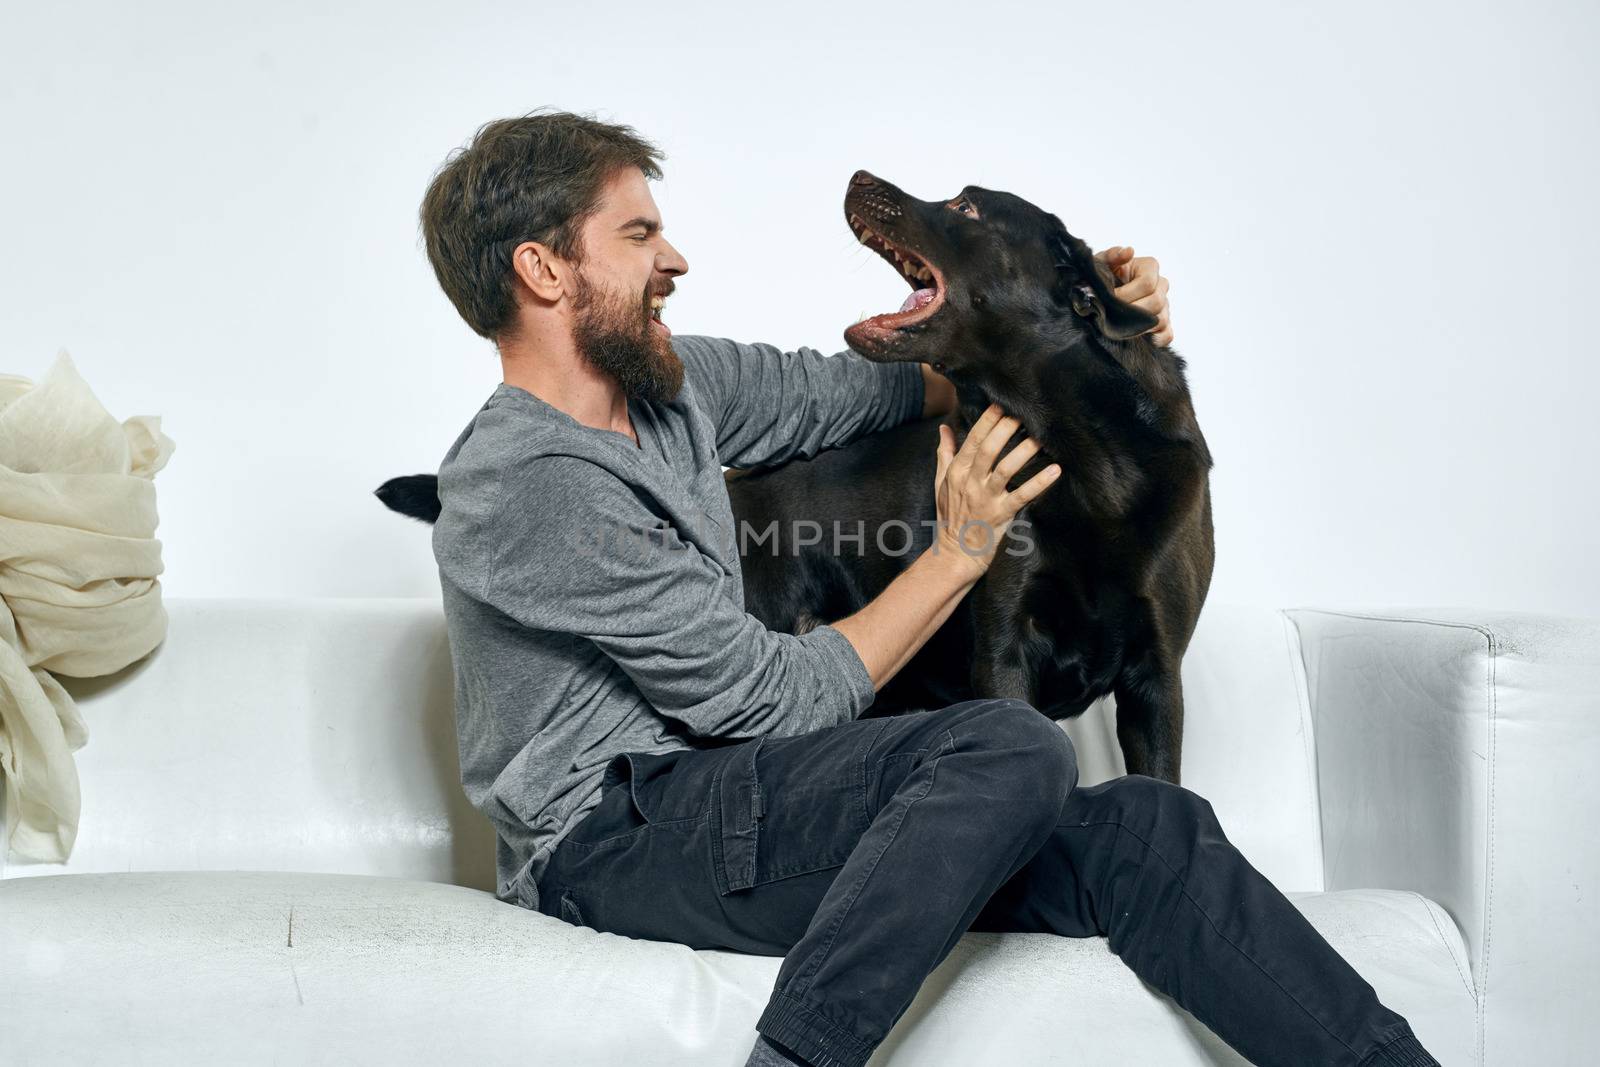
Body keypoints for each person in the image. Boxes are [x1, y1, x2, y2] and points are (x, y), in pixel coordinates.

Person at [423, 108, 1439, 1067]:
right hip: (615, 841)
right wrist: (957, 552)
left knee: (1147, 825)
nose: (675, 260)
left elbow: (901, 382)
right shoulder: (527, 481)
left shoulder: (680, 392)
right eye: (640, 234)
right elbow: (769, 699)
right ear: (542, 268)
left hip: (759, 809)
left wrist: (1099, 325)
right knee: (1007, 740)